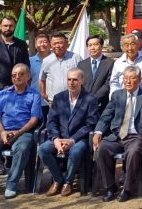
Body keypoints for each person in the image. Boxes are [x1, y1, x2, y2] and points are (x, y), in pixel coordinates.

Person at [93, 66, 142, 202]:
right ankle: (110, 187)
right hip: (116, 135)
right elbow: (106, 116)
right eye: (125, 78)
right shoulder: (117, 95)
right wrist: (98, 131)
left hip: (135, 136)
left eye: (132, 78)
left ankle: (127, 189)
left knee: (134, 152)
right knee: (102, 149)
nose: (127, 81)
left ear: (139, 80)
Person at [0, 64, 42, 199]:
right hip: (2, 131)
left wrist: (18, 133)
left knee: (22, 148)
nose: (17, 77)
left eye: (20, 74)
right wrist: (2, 133)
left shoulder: (34, 95)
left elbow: (34, 120)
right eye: (14, 75)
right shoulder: (2, 94)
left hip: (23, 133)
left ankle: (11, 184)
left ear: (28, 76)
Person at [38, 68, 98, 197]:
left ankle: (68, 181)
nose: (71, 83)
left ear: (82, 81)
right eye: (69, 79)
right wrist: (55, 139)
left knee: (76, 151)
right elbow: (51, 121)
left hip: (79, 139)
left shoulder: (90, 99)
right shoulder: (59, 97)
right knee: (43, 149)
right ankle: (58, 179)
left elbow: (90, 124)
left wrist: (72, 140)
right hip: (59, 138)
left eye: (75, 80)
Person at [0, 16, 30, 99]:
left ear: (14, 27)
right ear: (0, 26)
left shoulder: (21, 44)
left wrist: (19, 84)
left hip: (18, 89)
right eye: (5, 26)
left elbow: (26, 66)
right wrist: (3, 87)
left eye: (11, 26)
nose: (8, 28)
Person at [109, 33, 142, 100]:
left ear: (138, 44)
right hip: (124, 100)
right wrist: (114, 99)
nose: (130, 48)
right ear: (122, 47)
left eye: (133, 44)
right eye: (126, 45)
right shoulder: (118, 63)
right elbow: (114, 83)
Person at [40, 32, 81, 106]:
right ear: (50, 45)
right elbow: (42, 79)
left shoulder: (76, 58)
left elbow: (83, 79)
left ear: (66, 43)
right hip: (53, 101)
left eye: (60, 43)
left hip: (73, 100)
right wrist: (44, 94)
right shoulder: (46, 61)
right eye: (54, 43)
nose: (57, 46)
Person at [77, 35, 114, 113]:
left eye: (95, 44)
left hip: (103, 104)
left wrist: (94, 99)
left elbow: (108, 84)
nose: (92, 48)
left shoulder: (110, 63)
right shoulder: (81, 64)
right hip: (84, 104)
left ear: (101, 46)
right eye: (90, 45)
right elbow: (79, 83)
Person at [29, 32, 52, 116]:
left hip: (52, 102)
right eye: (40, 42)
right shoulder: (30, 61)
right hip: (35, 100)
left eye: (45, 42)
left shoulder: (56, 60)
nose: (42, 44)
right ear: (35, 45)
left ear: (50, 44)